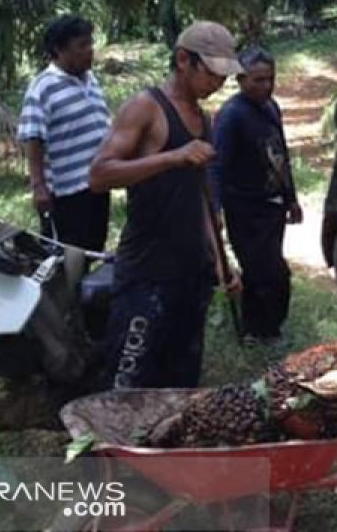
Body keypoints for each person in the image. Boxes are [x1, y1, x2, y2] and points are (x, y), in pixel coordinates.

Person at [90, 21, 243, 389]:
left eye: (224, 77)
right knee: (127, 382)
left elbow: (202, 196)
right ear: (182, 61)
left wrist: (221, 263)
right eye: (212, 74)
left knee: (180, 383)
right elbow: (99, 175)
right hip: (147, 273)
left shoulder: (204, 119)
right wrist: (173, 157)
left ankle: (166, 447)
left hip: (191, 275)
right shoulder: (145, 108)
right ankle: (109, 446)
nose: (219, 84)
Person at [210, 47, 302, 345]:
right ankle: (258, 331)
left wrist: (291, 198)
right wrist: (215, 211)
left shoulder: (271, 107)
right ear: (240, 78)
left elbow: (280, 155)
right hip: (245, 209)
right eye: (258, 80)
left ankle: (264, 328)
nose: (266, 86)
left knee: (267, 268)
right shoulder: (231, 116)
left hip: (272, 206)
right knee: (266, 271)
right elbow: (217, 167)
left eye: (270, 79)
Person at [18, 16, 111, 252]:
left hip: (97, 184)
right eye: (82, 45)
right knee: (67, 257)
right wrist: (38, 186)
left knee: (93, 248)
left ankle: (82, 289)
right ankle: (61, 290)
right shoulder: (43, 87)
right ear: (59, 50)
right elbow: (32, 137)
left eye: (90, 43)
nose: (90, 51)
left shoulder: (90, 79)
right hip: (66, 193)